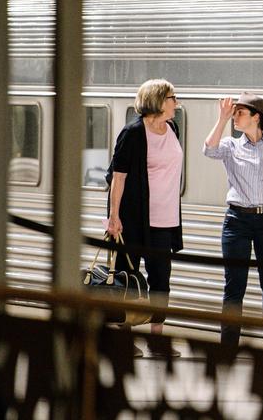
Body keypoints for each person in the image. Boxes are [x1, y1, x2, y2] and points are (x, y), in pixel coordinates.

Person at [203, 92, 263, 350]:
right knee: (234, 286)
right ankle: (228, 346)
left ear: (256, 117)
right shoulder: (230, 145)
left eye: (240, 112)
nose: (235, 116)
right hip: (237, 221)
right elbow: (208, 149)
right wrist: (221, 119)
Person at [106, 78, 183, 357]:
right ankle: (125, 340)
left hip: (165, 219)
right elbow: (118, 176)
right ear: (158, 101)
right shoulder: (133, 133)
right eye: (173, 97)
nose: (177, 103)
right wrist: (114, 216)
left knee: (161, 280)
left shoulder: (172, 128)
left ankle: (157, 341)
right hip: (134, 220)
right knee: (127, 278)